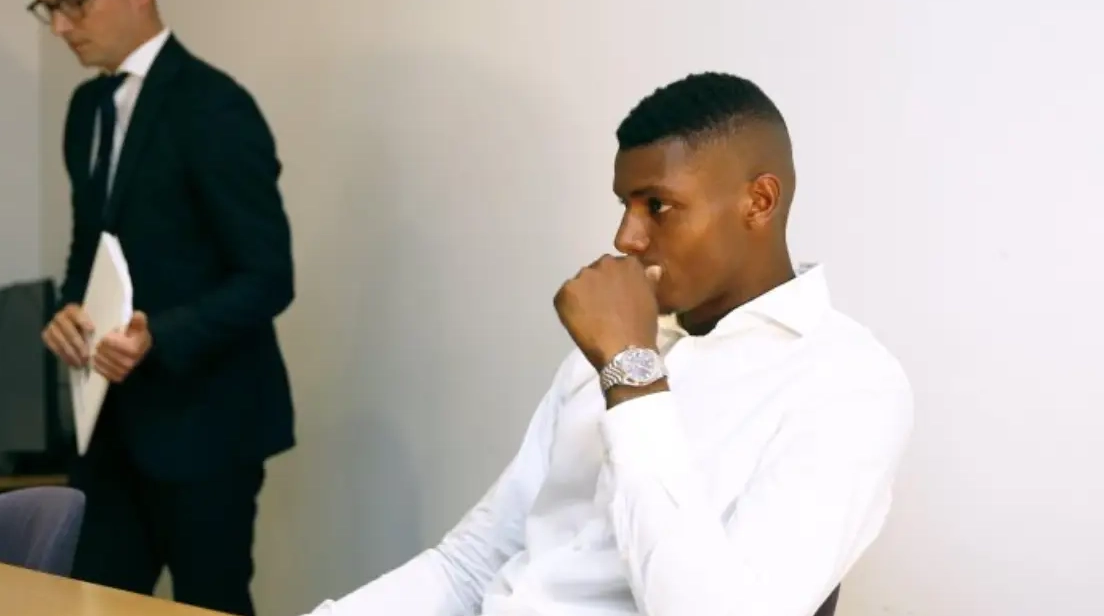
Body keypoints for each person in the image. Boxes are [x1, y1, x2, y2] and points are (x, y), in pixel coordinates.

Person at [300, 72, 914, 616]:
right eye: (625, 205)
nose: (626, 237)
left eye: (658, 206)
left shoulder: (847, 385)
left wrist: (631, 373)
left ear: (759, 202)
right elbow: (471, 564)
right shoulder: (615, 347)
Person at [33, 0, 294, 614]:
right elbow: (90, 250)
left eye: (73, 2)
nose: (61, 27)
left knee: (208, 603)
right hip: (109, 429)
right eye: (47, 9)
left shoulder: (215, 104)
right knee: (87, 604)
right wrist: (69, 312)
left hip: (208, 426)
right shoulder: (85, 109)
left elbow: (268, 276)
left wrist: (161, 335)